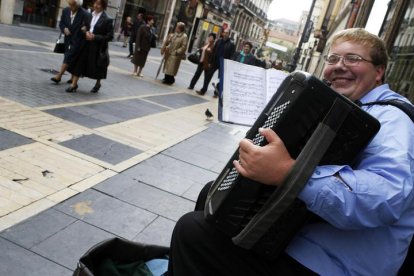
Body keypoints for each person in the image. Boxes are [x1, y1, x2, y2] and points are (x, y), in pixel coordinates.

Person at [168, 28, 414, 275]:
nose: (339, 66)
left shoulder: (393, 118)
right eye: (332, 59)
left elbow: (387, 197)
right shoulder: (346, 105)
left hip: (333, 263)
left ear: (379, 71)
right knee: (211, 195)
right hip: (305, 236)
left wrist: (289, 172)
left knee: (192, 231)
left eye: (352, 59)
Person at [66, 0, 114, 93]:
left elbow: (110, 36)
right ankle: (74, 84)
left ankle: (98, 83)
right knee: (79, 62)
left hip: (97, 47)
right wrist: (85, 30)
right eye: (95, 3)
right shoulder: (89, 14)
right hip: (85, 42)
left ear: (103, 6)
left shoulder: (108, 19)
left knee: (98, 66)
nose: (96, 6)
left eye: (99, 4)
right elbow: (84, 26)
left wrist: (95, 37)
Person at [51, 0, 90, 84]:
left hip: (78, 40)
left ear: (78, 5)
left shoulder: (85, 14)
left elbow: (89, 27)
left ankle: (59, 76)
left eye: (73, 5)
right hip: (68, 39)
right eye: (70, 5)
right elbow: (61, 23)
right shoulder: (65, 11)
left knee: (68, 57)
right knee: (70, 57)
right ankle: (72, 77)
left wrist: (85, 29)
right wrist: (64, 28)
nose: (71, 7)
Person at [196, 28, 235, 96]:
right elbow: (213, 52)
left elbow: (232, 56)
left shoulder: (231, 44)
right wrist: (210, 62)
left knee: (220, 79)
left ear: (229, 34)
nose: (225, 34)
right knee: (208, 76)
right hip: (215, 61)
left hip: (223, 64)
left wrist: (228, 65)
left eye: (227, 33)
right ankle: (203, 90)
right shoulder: (219, 41)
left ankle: (216, 93)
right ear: (223, 33)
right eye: (224, 32)